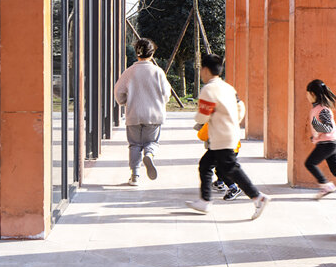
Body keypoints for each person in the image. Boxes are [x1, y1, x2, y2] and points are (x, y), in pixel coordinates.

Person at [185, 54, 268, 219]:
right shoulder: (227, 87)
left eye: (201, 69)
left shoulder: (208, 89)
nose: (201, 73)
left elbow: (202, 116)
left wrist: (198, 119)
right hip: (228, 135)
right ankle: (205, 201)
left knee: (231, 169)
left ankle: (258, 197)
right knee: (206, 165)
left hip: (221, 138)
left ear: (206, 70)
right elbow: (239, 107)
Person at [114, 37, 172, 185]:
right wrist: (160, 102)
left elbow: (119, 92)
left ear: (136, 53)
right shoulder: (158, 72)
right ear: (152, 54)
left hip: (134, 114)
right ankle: (150, 154)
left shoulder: (129, 72)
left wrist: (124, 101)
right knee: (151, 141)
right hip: (154, 115)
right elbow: (166, 94)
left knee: (134, 145)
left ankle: (135, 176)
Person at [304, 78, 336, 197]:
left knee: (310, 163)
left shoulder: (323, 109)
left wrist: (316, 133)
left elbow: (328, 127)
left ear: (313, 94)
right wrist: (315, 136)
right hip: (331, 143)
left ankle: (326, 185)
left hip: (328, 144)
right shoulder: (318, 108)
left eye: (307, 93)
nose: (307, 96)